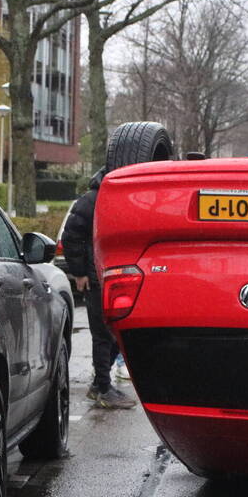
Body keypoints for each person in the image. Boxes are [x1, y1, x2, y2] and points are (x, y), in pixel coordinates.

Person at [61, 166, 136, 410]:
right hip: (96, 278)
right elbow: (71, 235)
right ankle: (103, 388)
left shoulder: (109, 198)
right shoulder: (92, 200)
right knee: (104, 334)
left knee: (113, 333)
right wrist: (80, 273)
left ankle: (99, 385)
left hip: (110, 275)